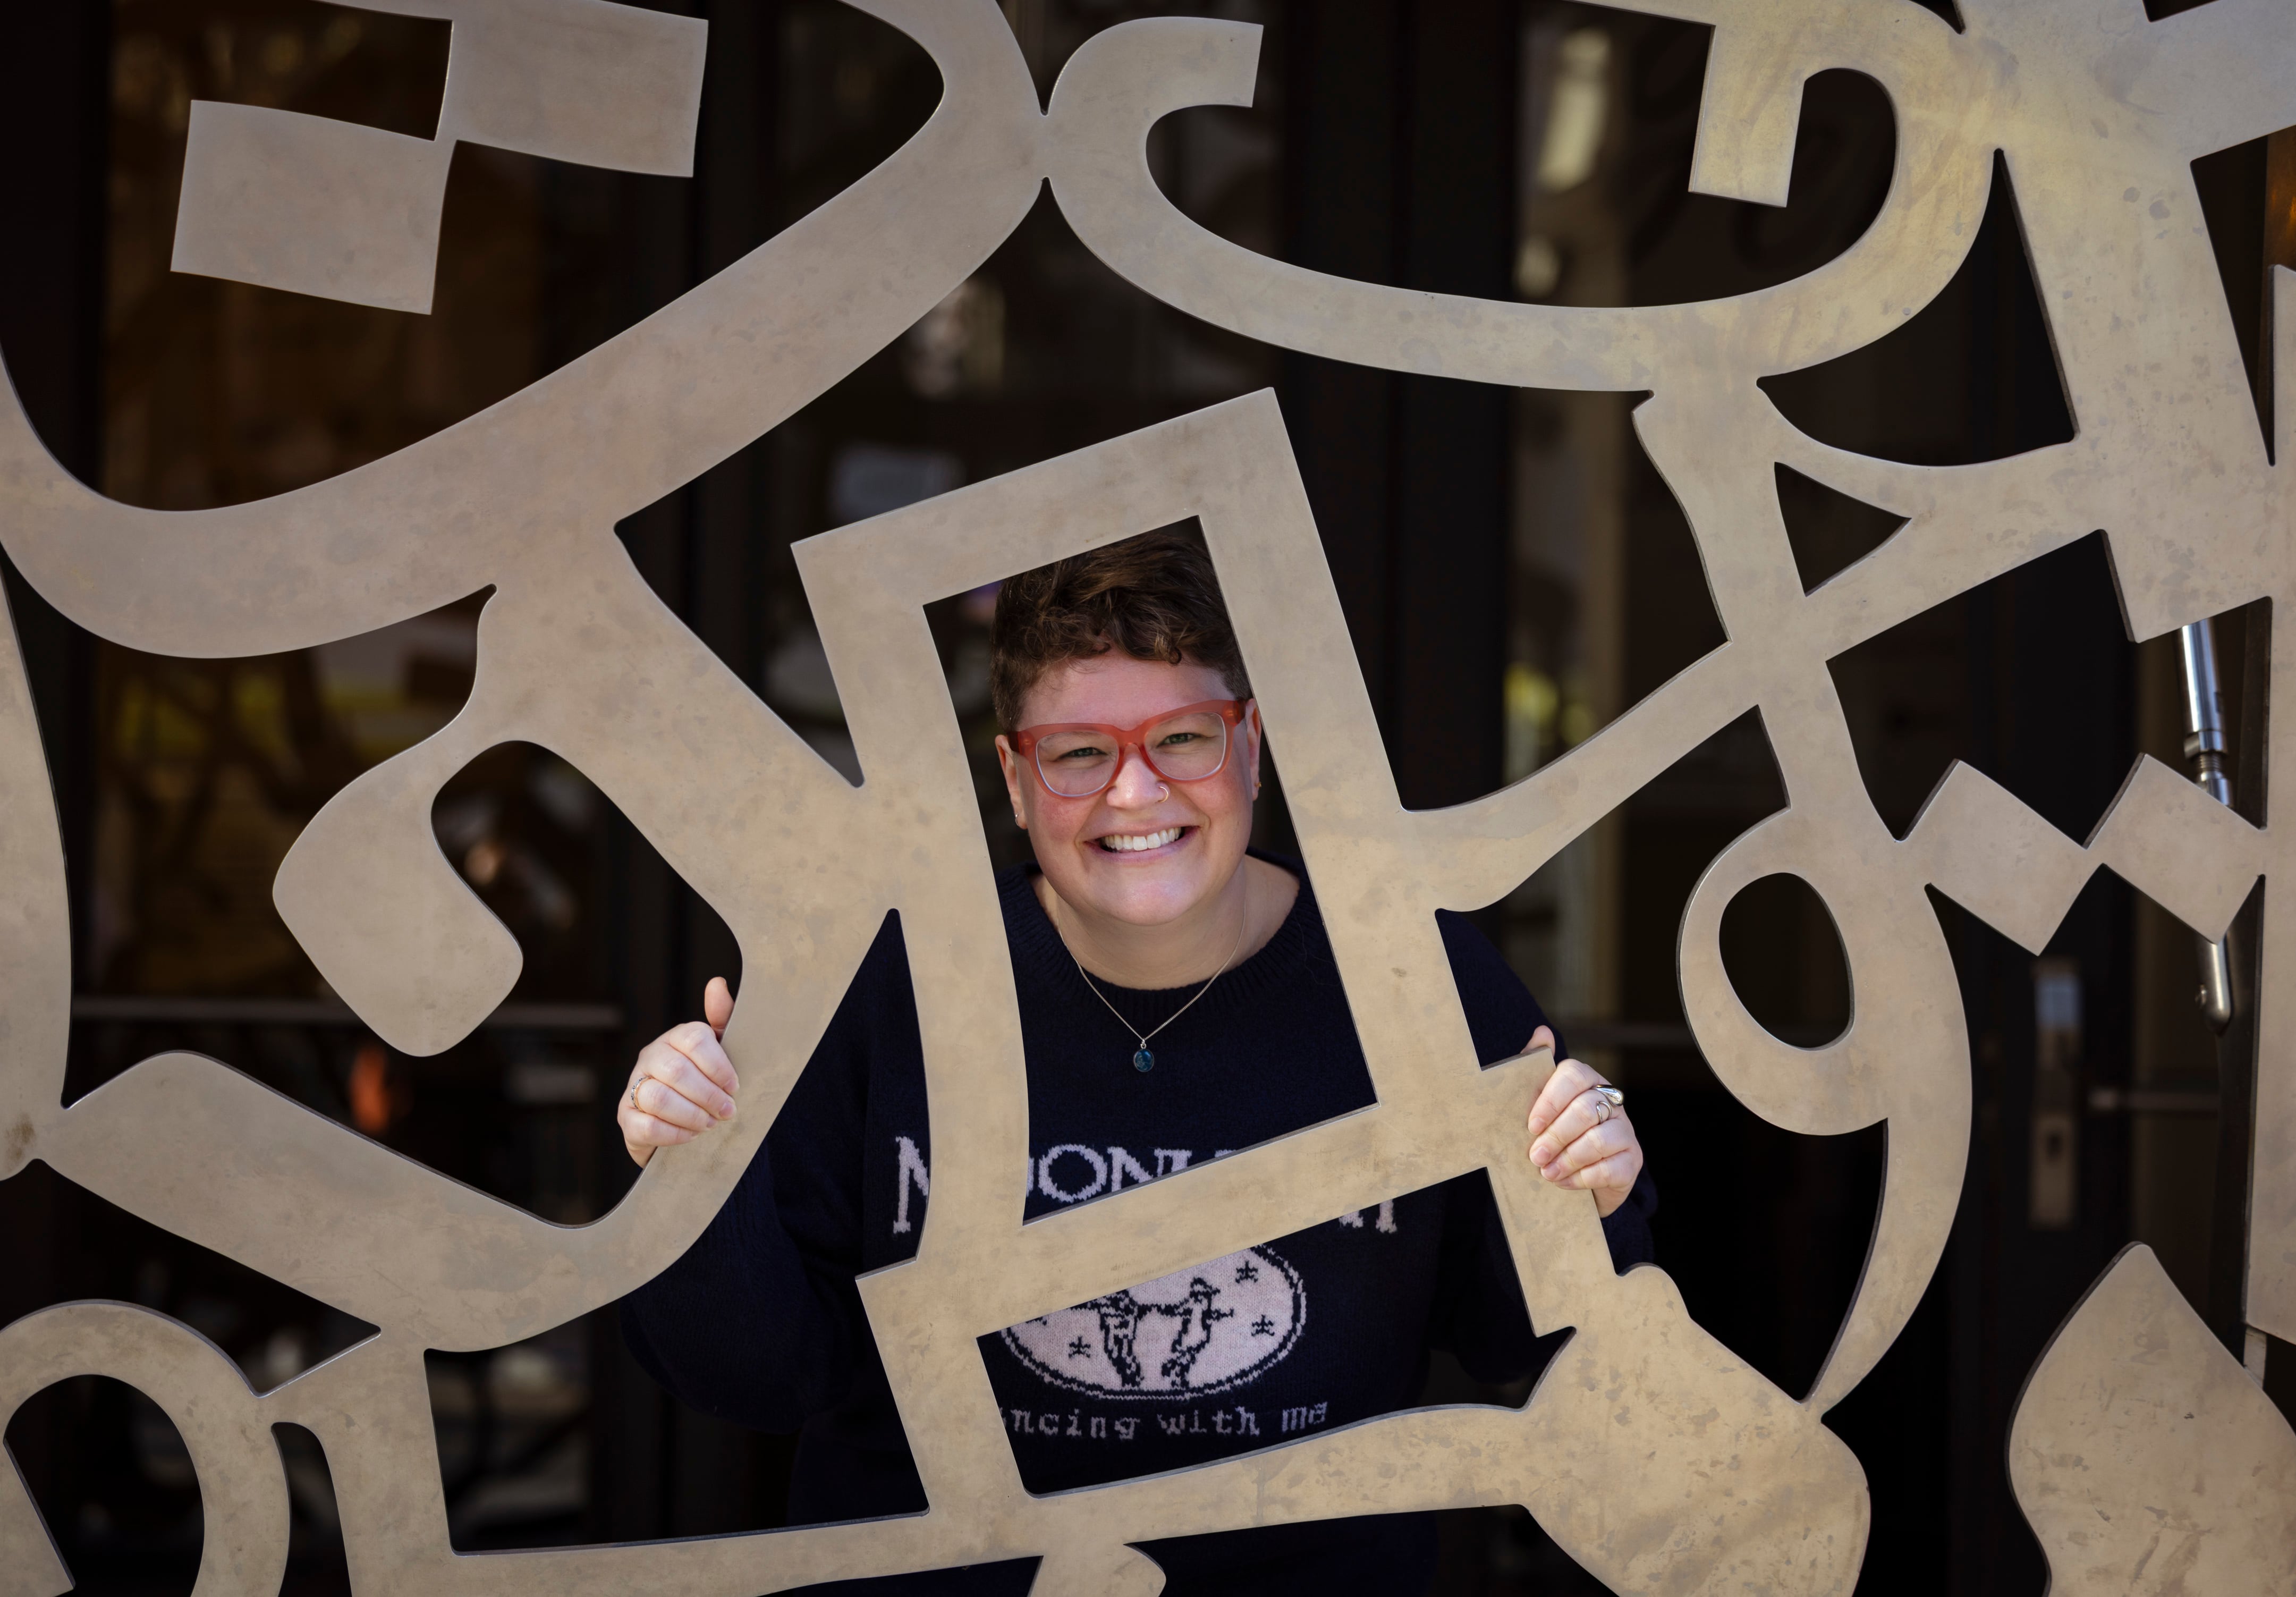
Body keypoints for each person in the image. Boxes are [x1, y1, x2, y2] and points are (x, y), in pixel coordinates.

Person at [615, 528, 1653, 1594]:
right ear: (1016, 778)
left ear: (1250, 746)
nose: (1134, 793)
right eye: (1079, 752)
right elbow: (758, 1377)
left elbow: (1527, 1342)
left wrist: (1592, 1197)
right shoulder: (890, 984)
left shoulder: (1418, 982)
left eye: (1184, 739)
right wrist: (695, 1169)